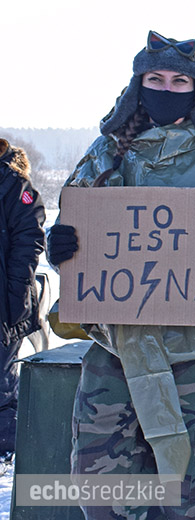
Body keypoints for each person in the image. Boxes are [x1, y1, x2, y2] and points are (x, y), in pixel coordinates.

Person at [46, 31, 195, 520]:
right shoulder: (108, 153)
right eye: (154, 78)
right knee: (100, 489)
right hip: (116, 348)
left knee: (186, 491)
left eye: (179, 80)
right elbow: (78, 227)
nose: (166, 88)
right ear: (138, 86)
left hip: (192, 353)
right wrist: (65, 244)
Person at [0, 138, 45, 458]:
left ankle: (6, 450)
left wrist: (14, 294)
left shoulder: (14, 185)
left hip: (6, 303)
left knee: (1, 384)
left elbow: (30, 240)